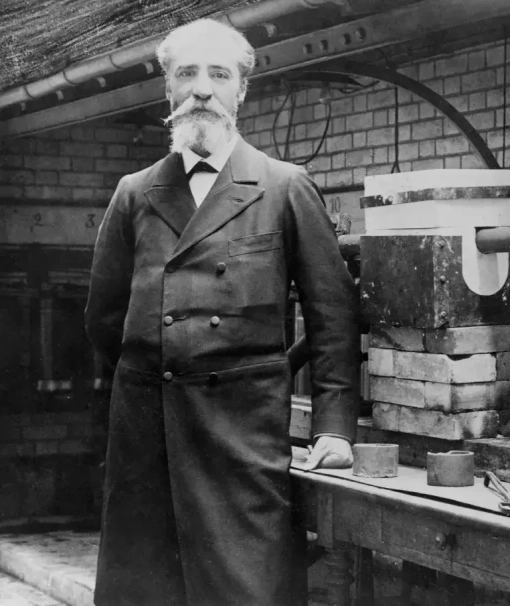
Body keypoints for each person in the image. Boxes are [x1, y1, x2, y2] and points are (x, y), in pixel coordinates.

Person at [85, 18, 360, 606]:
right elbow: (104, 318)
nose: (202, 89)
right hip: (148, 437)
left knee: (244, 591)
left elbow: (332, 318)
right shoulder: (134, 192)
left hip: (242, 437)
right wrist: (159, 370)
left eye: (219, 74)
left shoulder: (284, 187)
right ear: (167, 89)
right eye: (187, 74)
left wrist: (334, 427)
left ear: (242, 90)